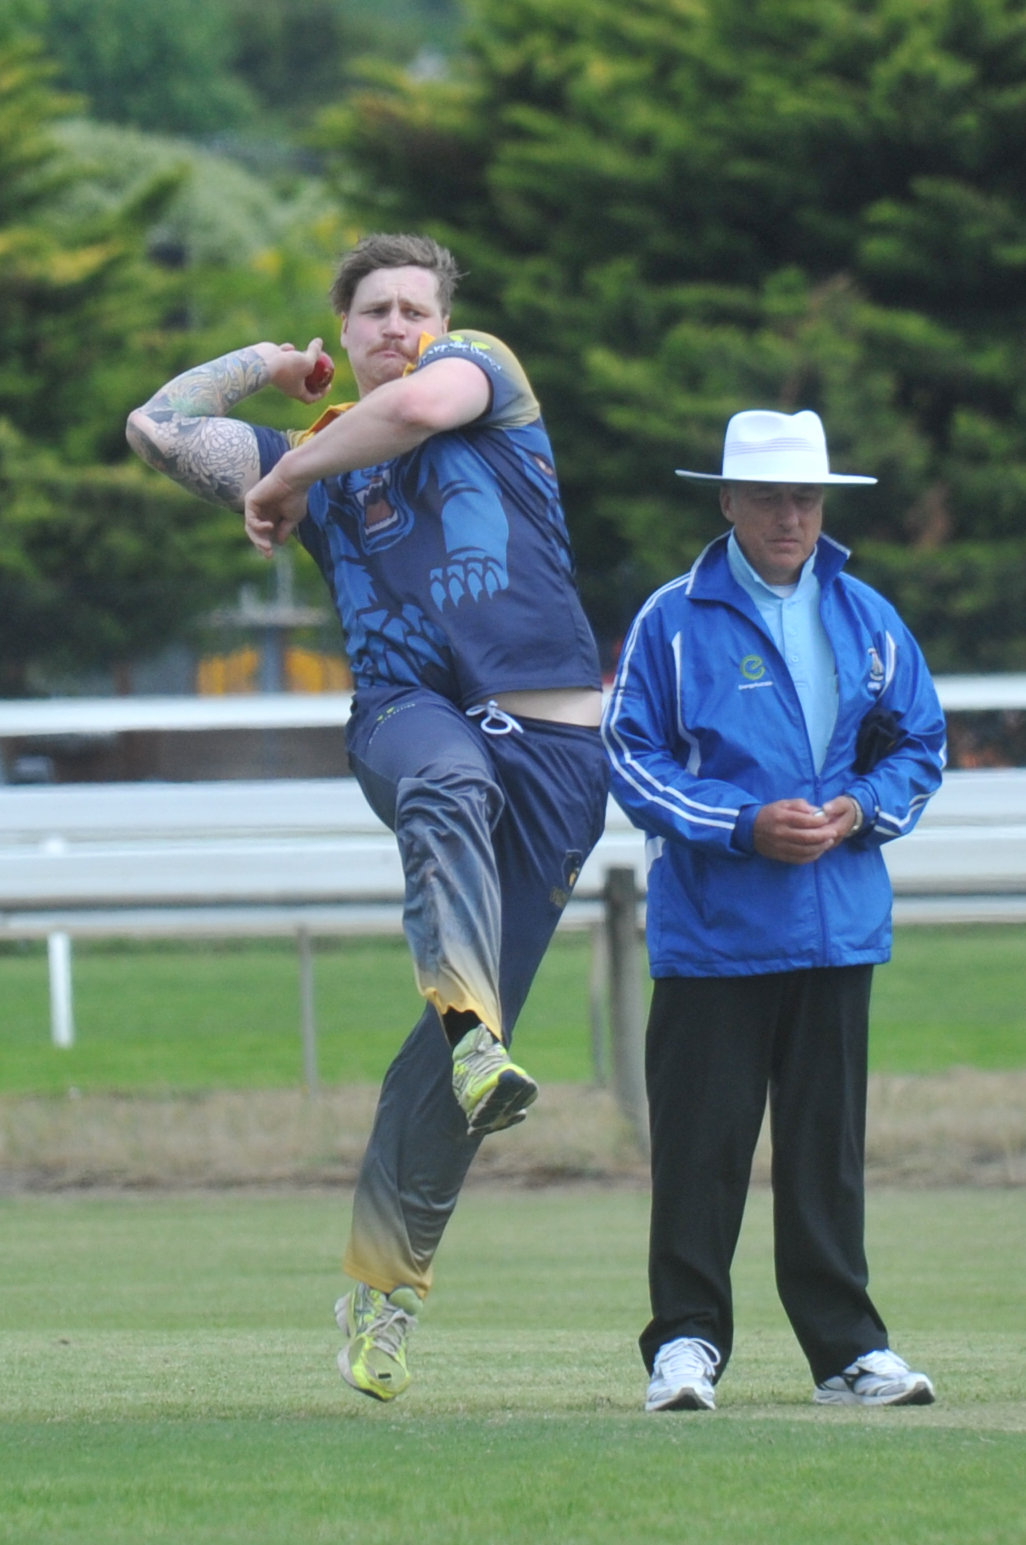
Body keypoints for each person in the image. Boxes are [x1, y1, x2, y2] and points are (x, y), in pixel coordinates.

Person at [126, 232, 608, 1401]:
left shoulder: (483, 376)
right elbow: (156, 427)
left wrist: (283, 478)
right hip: (410, 716)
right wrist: (262, 365)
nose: (397, 326)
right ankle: (470, 1031)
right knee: (449, 797)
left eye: (413, 308)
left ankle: (381, 1293)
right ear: (342, 333)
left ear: (442, 323)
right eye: (374, 311)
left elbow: (415, 410)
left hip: (556, 752)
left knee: (443, 1076)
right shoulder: (316, 453)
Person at [603, 408, 946, 1412]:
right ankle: (685, 1345)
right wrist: (743, 824)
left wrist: (863, 808)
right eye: (767, 498)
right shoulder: (672, 620)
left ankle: (848, 1352)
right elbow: (630, 758)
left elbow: (920, 744)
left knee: (825, 1157)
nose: (789, 516)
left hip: (839, 928)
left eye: (805, 497)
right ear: (727, 502)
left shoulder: (866, 614)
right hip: (715, 934)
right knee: (700, 1152)